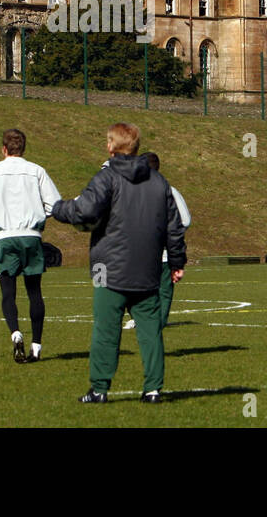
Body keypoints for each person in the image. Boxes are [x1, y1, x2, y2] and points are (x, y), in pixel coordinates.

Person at [51, 123, 186, 404]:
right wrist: (176, 261)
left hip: (107, 267)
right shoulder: (159, 182)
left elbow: (85, 210)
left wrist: (58, 208)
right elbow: (174, 227)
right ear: (136, 147)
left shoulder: (107, 177)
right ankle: (153, 389)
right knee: (150, 331)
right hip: (148, 266)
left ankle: (99, 388)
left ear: (111, 146)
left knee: (105, 329)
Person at [0, 128, 61, 363]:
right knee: (35, 292)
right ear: (23, 149)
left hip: (4, 236)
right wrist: (38, 218)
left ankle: (15, 333)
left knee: (8, 292)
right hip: (31, 236)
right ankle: (36, 346)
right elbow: (54, 204)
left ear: (3, 149)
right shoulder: (36, 171)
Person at [144, 152, 191, 330]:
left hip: (153, 253)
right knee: (153, 290)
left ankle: (156, 323)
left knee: (157, 289)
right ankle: (150, 320)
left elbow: (184, 221)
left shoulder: (167, 191)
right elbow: (185, 220)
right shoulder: (169, 190)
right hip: (152, 253)